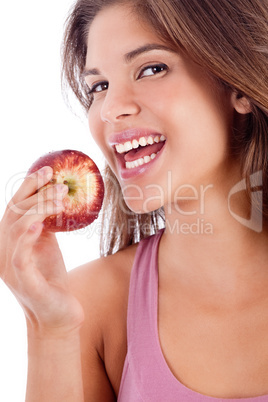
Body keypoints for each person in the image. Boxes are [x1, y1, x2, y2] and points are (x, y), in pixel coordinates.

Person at [0, 0, 268, 400]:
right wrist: (49, 331)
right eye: (99, 87)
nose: (110, 109)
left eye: (151, 69)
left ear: (239, 87)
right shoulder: (91, 305)